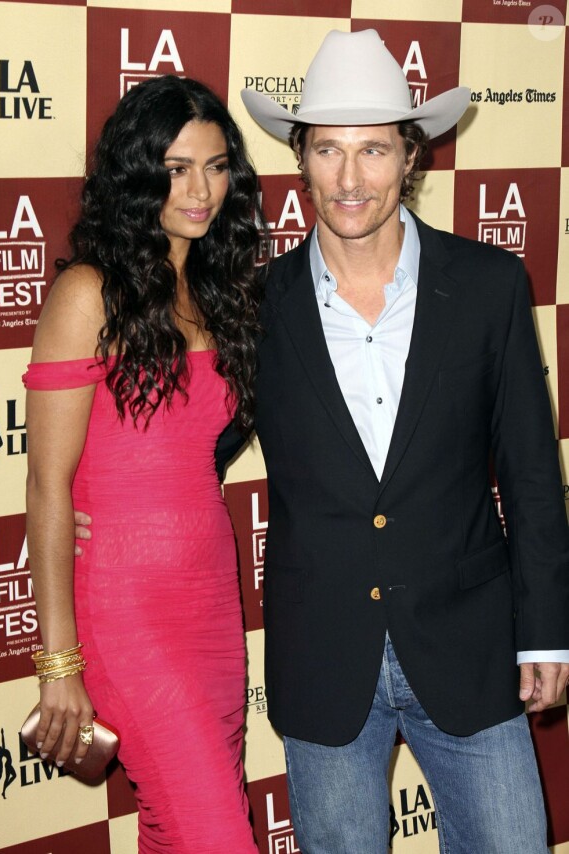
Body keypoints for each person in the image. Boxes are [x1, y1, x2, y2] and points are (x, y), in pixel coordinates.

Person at [231, 29, 568, 853]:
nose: (350, 180)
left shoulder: (489, 286)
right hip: (324, 655)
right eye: (328, 151)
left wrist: (547, 629)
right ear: (299, 158)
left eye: (374, 150)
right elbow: (195, 447)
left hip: (472, 647)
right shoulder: (252, 304)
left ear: (411, 156)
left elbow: (529, 472)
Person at [24, 74, 262, 853]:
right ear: (137, 173)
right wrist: (60, 661)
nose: (201, 190)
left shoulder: (220, 289)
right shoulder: (87, 293)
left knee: (178, 829)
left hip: (212, 605)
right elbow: (47, 485)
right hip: (126, 611)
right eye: (176, 168)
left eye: (217, 166)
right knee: (216, 834)